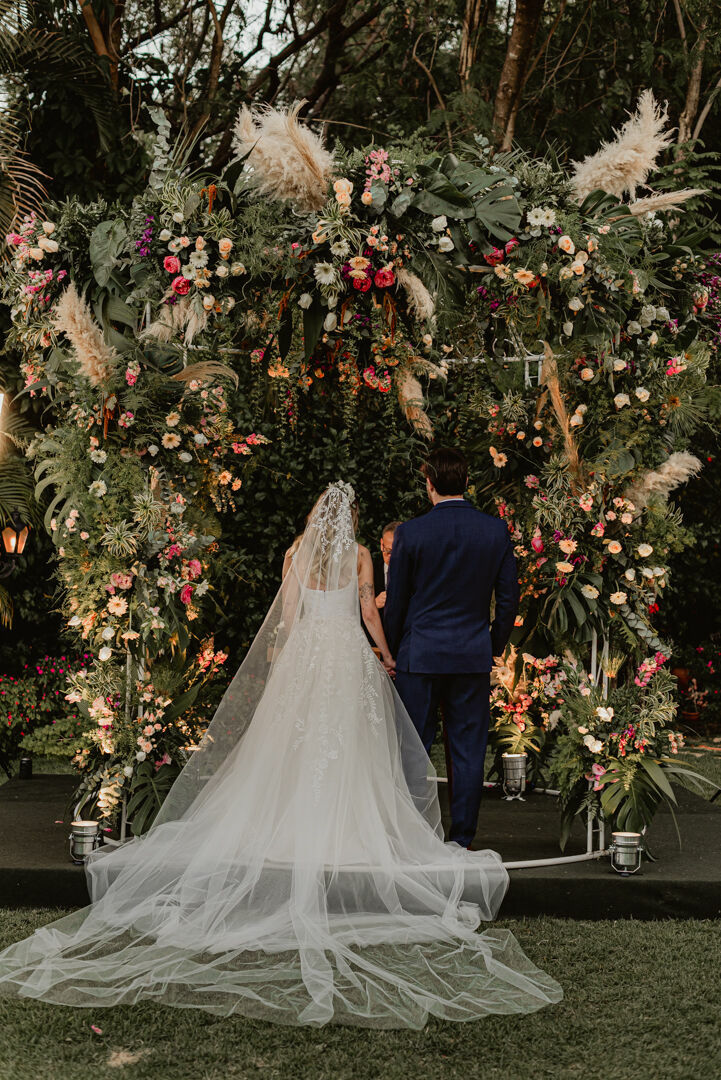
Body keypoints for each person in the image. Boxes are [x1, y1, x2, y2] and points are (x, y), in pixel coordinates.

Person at [0, 482, 559, 1028]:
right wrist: (385, 654)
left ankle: (290, 823)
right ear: (351, 518)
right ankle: (349, 827)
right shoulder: (361, 555)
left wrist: (291, 663)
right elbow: (370, 613)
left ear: (316, 515)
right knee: (350, 744)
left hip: (307, 655)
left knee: (295, 745)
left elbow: (288, 618)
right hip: (346, 656)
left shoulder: (296, 554)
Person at [384, 448, 520, 849]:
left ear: (429, 485)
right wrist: (491, 645)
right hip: (471, 655)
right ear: (466, 483)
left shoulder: (411, 532)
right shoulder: (494, 530)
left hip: (419, 655)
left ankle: (412, 836)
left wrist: (394, 649)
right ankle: (461, 840)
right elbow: (508, 601)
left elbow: (397, 602)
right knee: (467, 751)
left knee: (412, 750)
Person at [374, 520, 401, 620]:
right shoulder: (370, 571)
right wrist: (374, 604)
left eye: (397, 552)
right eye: (388, 551)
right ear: (382, 544)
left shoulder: (415, 572)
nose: (392, 557)